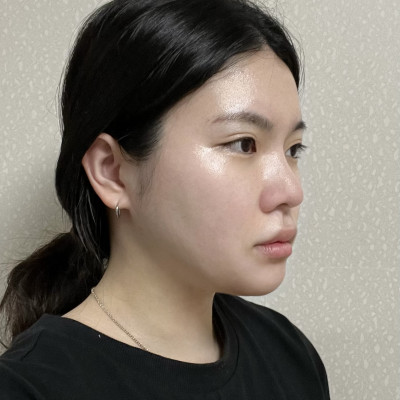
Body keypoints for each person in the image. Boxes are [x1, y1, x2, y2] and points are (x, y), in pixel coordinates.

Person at [0, 0, 330, 398]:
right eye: (244, 144)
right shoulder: (29, 387)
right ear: (112, 171)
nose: (291, 192)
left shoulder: (288, 354)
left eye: (293, 149)